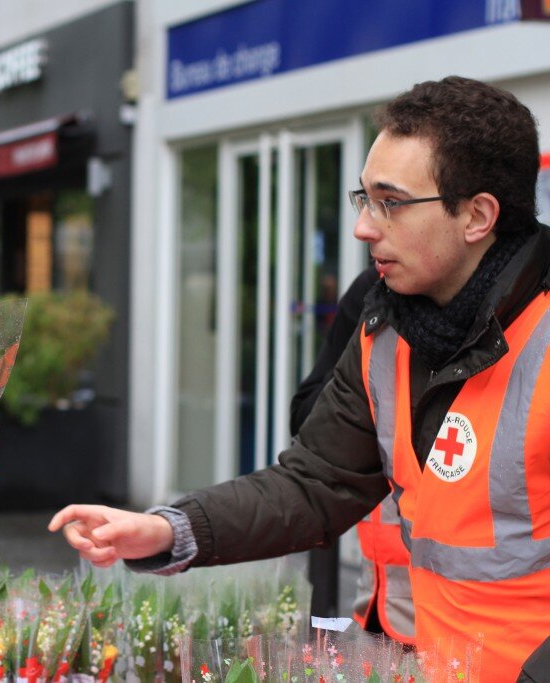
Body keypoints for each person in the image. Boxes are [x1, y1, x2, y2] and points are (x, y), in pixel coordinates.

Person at [50, 76, 550, 681]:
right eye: (362, 198)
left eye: (390, 203)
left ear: (477, 215)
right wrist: (166, 530)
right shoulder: (385, 327)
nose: (365, 227)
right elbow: (313, 486)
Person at [290, 264, 416, 645]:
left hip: (459, 631)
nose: (367, 226)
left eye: (392, 204)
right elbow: (306, 418)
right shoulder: (372, 291)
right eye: (368, 203)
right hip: (378, 604)